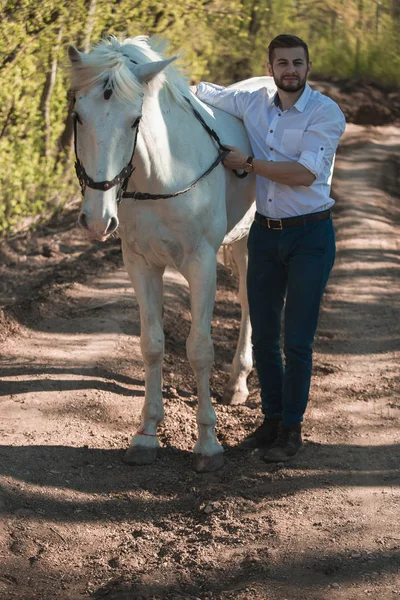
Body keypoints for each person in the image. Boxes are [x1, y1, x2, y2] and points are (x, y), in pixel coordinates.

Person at [195, 34, 346, 462]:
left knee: (296, 340)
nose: (290, 70)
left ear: (308, 66)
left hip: (309, 238)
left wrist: (248, 164)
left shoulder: (325, 113)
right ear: (272, 67)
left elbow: (303, 175)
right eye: (282, 63)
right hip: (264, 233)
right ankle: (271, 421)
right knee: (262, 337)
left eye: (297, 62)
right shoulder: (254, 103)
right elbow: (209, 93)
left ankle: (292, 430)